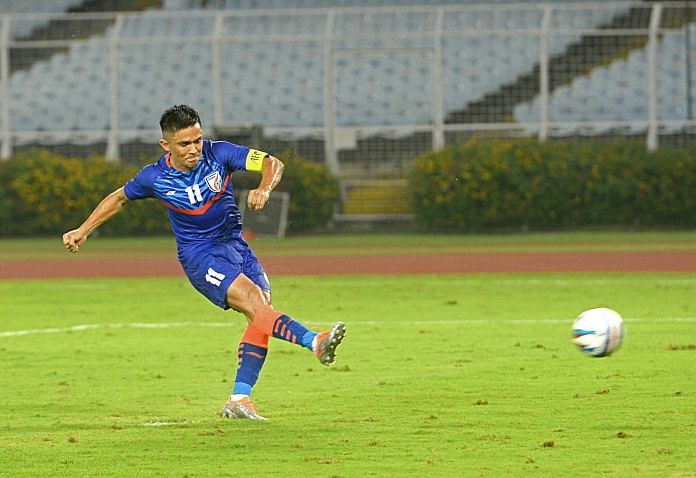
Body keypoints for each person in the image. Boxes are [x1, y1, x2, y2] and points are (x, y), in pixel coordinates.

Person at [62, 104, 345, 421]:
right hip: (201, 256)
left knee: (261, 310)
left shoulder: (220, 153)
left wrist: (264, 187)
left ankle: (239, 399)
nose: (194, 149)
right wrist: (83, 230)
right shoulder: (154, 177)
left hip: (236, 246)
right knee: (255, 303)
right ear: (166, 145)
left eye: (197, 140)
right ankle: (315, 341)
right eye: (185, 144)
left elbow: (270, 162)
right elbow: (119, 197)